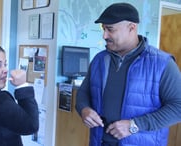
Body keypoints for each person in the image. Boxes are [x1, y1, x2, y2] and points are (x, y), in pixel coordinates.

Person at [75, 2, 181, 146]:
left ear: (132, 28)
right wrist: (84, 109)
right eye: (103, 28)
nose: (104, 35)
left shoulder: (162, 63)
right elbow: (83, 93)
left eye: (110, 29)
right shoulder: (99, 59)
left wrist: (135, 125)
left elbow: (178, 107)